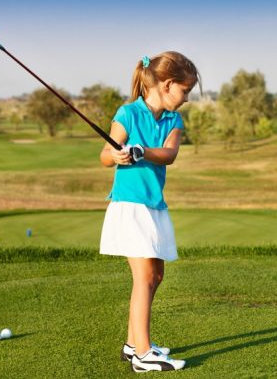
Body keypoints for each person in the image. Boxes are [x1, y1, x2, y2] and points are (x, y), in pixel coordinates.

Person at [99, 51, 200, 373]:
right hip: (129, 205)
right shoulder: (128, 114)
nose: (186, 98)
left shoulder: (173, 120)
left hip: (154, 204)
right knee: (143, 277)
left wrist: (142, 151)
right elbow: (104, 154)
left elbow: (169, 154)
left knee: (156, 275)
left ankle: (132, 345)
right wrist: (117, 156)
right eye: (185, 91)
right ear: (169, 85)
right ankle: (143, 354)